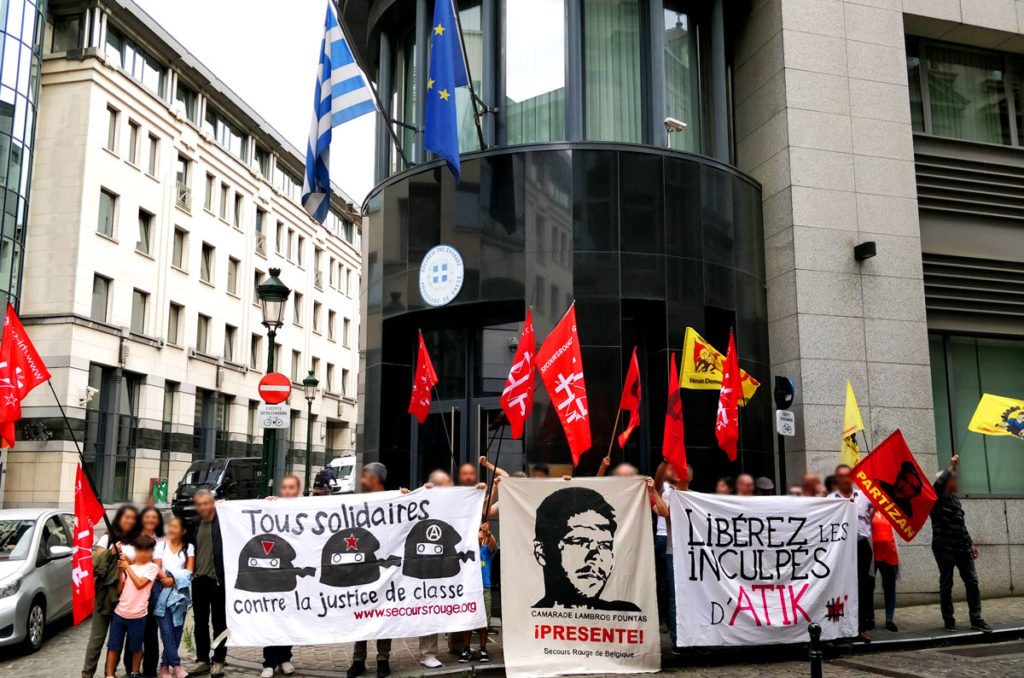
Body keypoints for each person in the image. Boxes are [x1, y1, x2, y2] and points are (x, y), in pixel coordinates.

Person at [532, 486, 639, 611]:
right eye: (580, 542)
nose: (595, 555)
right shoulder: (526, 621)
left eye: (604, 545)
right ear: (541, 552)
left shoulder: (626, 616)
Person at [931, 455, 990, 632]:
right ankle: (949, 620)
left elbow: (961, 526)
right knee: (946, 584)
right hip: (944, 548)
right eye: (953, 480)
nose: (957, 482)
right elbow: (938, 486)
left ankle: (976, 618)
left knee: (972, 581)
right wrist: (951, 467)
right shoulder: (936, 500)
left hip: (962, 548)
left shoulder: (956, 501)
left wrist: (970, 543)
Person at [85, 506, 140, 678]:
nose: (129, 521)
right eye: (126, 517)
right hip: (105, 595)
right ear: (119, 519)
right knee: (97, 639)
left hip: (125, 597)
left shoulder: (136, 541)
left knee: (116, 641)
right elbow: (96, 563)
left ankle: (110, 673)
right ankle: (87, 674)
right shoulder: (107, 539)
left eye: (132, 518)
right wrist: (111, 552)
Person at [349, 463, 393, 678]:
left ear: (375, 478)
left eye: (365, 476)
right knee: (362, 614)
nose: (361, 480)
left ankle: (383, 659)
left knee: (384, 614)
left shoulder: (395, 500)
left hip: (384, 571)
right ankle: (358, 659)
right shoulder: (358, 501)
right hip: (362, 570)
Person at [260, 474, 302, 677]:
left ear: (298, 490)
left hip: (290, 576)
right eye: (284, 487)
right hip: (270, 576)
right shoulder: (272, 508)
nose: (287, 491)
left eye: (291, 487)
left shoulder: (306, 511)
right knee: (270, 618)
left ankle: (285, 658)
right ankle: (269, 662)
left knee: (288, 618)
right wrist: (267, 506)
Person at [106, 535, 159, 678]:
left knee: (136, 647)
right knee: (114, 646)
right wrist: (120, 570)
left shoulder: (152, 567)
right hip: (120, 612)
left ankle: (134, 672)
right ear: (135, 550)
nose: (143, 553)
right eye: (140, 550)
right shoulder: (129, 567)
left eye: (147, 550)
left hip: (138, 615)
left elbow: (140, 583)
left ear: (151, 551)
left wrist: (127, 567)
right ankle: (110, 674)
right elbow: (119, 589)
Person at [832, 464, 874, 642]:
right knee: (841, 586)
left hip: (861, 546)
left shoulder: (863, 496)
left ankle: (860, 628)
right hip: (840, 549)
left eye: (847, 476)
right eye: (840, 476)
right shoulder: (830, 499)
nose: (844, 479)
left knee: (863, 587)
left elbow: (877, 505)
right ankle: (839, 627)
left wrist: (872, 512)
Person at [188, 489, 226, 678]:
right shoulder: (195, 524)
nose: (203, 507)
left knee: (220, 623)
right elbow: (188, 549)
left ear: (213, 503)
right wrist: (191, 570)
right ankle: (202, 659)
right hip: (199, 581)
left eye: (206, 503)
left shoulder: (223, 522)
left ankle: (219, 660)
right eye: (199, 504)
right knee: (200, 622)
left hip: (218, 581)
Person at [153, 517, 194, 678]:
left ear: (183, 531)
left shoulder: (188, 547)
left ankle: (164, 666)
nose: (171, 529)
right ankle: (176, 665)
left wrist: (174, 580)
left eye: (176, 527)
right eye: (171, 526)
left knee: (177, 628)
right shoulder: (160, 545)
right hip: (162, 589)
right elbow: (156, 567)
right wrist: (167, 579)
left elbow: (189, 570)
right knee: (166, 629)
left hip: (180, 590)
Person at [458, 522, 496, 662]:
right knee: (469, 620)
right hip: (470, 588)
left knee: (484, 621)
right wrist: (476, 539)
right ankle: (466, 648)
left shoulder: (486, 550)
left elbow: (493, 545)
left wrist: (488, 533)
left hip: (484, 588)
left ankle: (483, 648)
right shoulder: (469, 550)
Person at [138, 507, 165, 678]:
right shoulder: (133, 539)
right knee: (134, 629)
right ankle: (132, 668)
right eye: (147, 517)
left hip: (153, 588)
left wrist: (168, 581)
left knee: (150, 630)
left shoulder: (161, 541)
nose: (150, 520)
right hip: (134, 587)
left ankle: (149, 670)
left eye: (153, 517)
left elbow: (158, 565)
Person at [871, 511, 899, 633]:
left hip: (889, 555)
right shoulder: (867, 511)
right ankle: (870, 618)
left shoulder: (890, 511)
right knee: (869, 587)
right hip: (873, 556)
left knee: (890, 587)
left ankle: (889, 619)